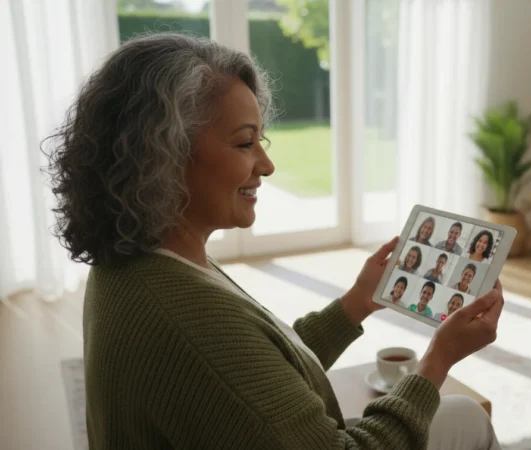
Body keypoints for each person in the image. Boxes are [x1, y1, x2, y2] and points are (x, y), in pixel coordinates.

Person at [47, 34, 504, 449]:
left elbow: (257, 377)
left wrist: (355, 305)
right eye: (245, 144)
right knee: (468, 420)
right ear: (162, 156)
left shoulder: (146, 262)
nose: (266, 165)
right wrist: (438, 360)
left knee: (462, 415)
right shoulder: (185, 318)